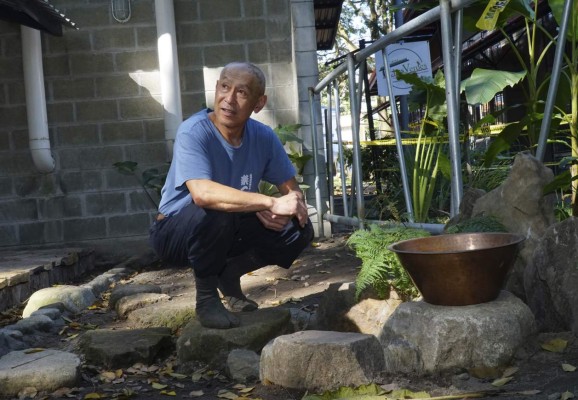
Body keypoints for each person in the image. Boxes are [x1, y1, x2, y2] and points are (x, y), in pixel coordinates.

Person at [149, 61, 313, 329]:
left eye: (242, 92)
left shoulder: (263, 137)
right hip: (174, 232)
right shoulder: (194, 131)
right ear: (216, 89)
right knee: (216, 212)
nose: (229, 99)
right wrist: (268, 201)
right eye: (225, 87)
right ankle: (206, 299)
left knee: (299, 228)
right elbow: (203, 195)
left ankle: (229, 274)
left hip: (226, 227)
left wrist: (288, 207)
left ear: (259, 103)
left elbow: (292, 191)